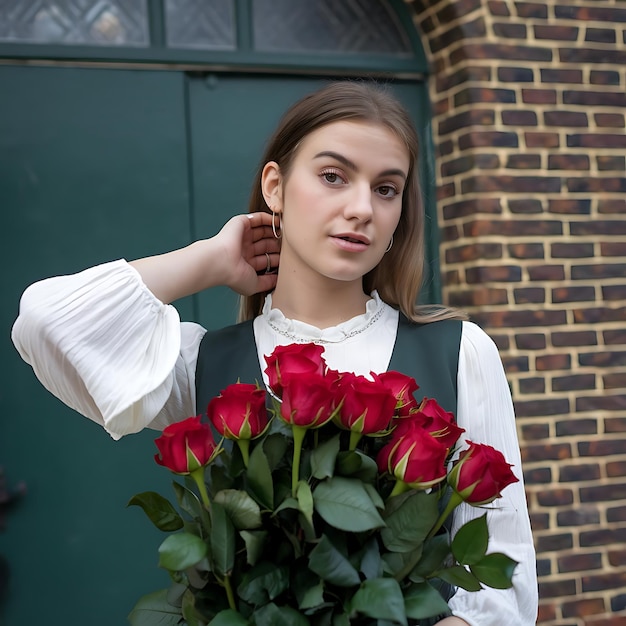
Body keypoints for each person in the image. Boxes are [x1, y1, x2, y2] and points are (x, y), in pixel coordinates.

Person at [11, 81, 537, 625]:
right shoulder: (200, 366)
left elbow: (506, 572)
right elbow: (46, 323)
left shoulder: (459, 352)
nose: (362, 208)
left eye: (386, 189)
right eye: (333, 177)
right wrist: (208, 261)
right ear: (275, 187)